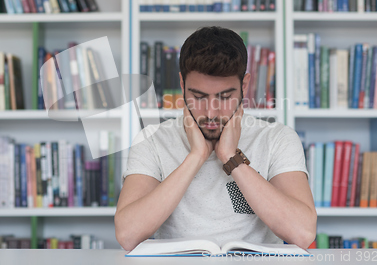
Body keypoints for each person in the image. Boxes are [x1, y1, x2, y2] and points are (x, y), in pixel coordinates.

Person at [114, 26, 316, 252]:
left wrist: (230, 157)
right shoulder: (152, 140)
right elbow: (127, 235)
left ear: (245, 86)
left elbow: (303, 233)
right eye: (198, 97)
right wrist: (196, 157)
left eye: (225, 97)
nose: (211, 113)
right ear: (182, 85)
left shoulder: (277, 138)